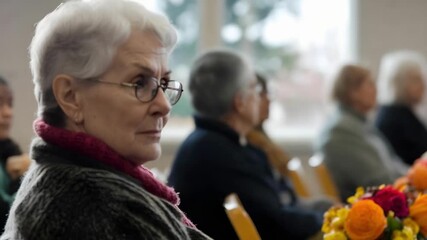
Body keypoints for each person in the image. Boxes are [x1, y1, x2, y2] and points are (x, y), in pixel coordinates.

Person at [1, 1, 211, 239]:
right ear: (71, 97)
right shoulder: (91, 206)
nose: (163, 106)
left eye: (163, 84)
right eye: (140, 83)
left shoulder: (74, 181)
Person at [167, 49, 324, 240]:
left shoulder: (212, 142)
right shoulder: (216, 152)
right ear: (240, 102)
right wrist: (329, 219)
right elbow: (276, 223)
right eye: (255, 88)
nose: (260, 97)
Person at [314, 64, 408, 202]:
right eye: (370, 84)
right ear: (353, 91)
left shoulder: (359, 123)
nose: (376, 90)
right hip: (368, 211)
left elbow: (393, 164)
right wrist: (413, 183)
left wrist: (415, 176)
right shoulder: (341, 130)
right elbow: (376, 181)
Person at [375, 50, 427, 165]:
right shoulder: (392, 119)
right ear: (399, 82)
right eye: (416, 80)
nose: (423, 85)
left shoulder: (405, 113)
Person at [0, 76, 31, 229]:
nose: (8, 113)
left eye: (10, 104)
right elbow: (8, 216)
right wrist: (20, 178)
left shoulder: (10, 152)